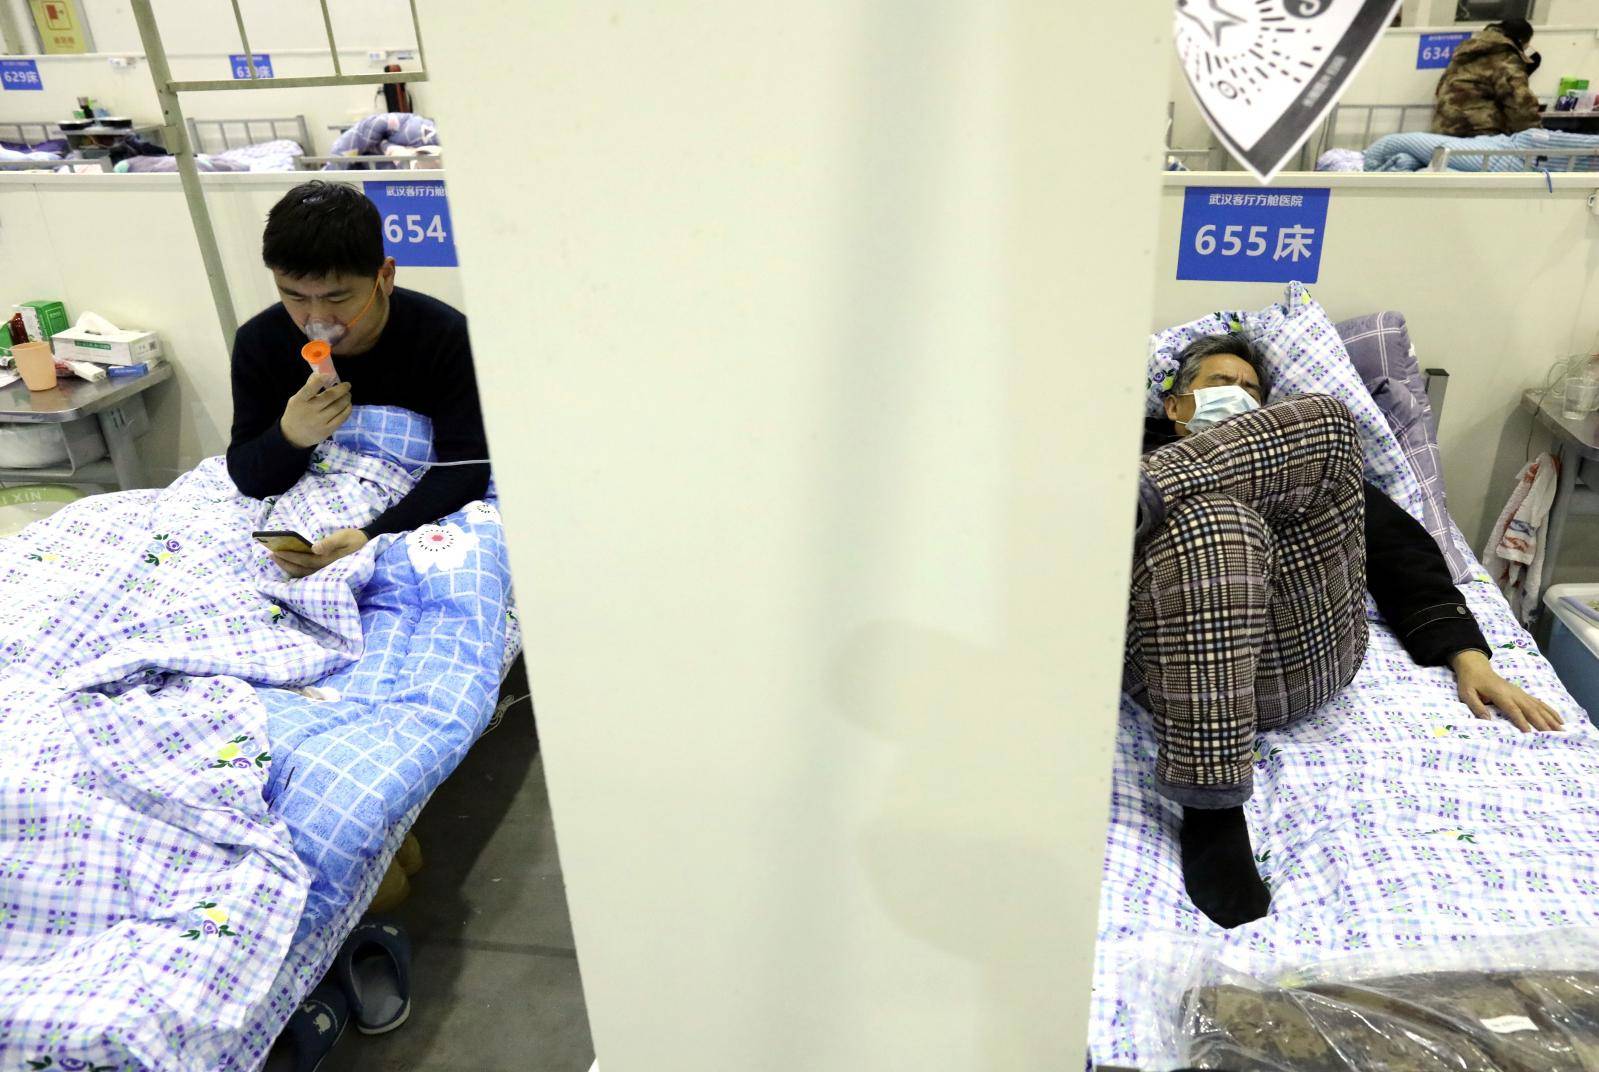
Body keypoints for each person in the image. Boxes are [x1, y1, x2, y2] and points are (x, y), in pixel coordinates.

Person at [1129, 334, 1562, 930]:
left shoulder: (1306, 462)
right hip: (1179, 676)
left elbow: (1403, 555)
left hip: (1297, 654)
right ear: (1175, 407)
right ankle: (1213, 807)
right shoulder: (1114, 454)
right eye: (1220, 385)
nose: (1239, 397)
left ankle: (1144, 498)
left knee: (1332, 422)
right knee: (1213, 520)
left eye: (1251, 391)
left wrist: (1467, 654)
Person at [227, 181, 490, 577]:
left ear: (384, 276)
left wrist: (372, 536)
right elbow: (248, 476)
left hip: (399, 518)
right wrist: (290, 436)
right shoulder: (258, 342)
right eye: (294, 296)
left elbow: (466, 466)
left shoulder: (446, 337)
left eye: (336, 298)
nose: (316, 318)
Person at [1431, 18, 1542, 137]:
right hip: (1478, 131)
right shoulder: (1505, 57)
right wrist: (1537, 137)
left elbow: (1441, 89)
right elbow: (1520, 104)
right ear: (1520, 41)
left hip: (1444, 127)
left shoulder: (1467, 50)